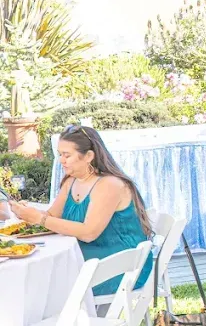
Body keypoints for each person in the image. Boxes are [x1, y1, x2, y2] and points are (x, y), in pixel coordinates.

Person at [12, 126, 153, 296]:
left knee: (41, 280)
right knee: (37, 274)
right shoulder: (71, 181)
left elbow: (89, 233)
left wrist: (39, 219)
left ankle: (56, 320)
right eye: (60, 154)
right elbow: (52, 217)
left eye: (67, 155)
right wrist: (27, 212)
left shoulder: (109, 185)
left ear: (88, 156)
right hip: (88, 259)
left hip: (120, 266)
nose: (62, 160)